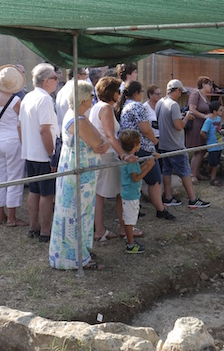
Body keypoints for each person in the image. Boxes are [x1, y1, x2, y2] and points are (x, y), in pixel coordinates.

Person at [49, 81, 110, 270]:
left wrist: (102, 141)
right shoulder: (78, 120)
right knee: (76, 215)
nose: (93, 99)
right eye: (91, 96)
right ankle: (75, 258)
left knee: (75, 214)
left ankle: (77, 252)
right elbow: (99, 144)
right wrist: (104, 141)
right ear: (83, 99)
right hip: (80, 176)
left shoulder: (76, 115)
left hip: (78, 173)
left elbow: (99, 141)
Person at [88, 76, 141, 242]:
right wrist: (124, 154)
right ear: (111, 92)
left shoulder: (97, 107)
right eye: (118, 91)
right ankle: (112, 229)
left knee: (105, 193)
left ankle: (119, 228)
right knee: (110, 193)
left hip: (105, 155)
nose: (120, 94)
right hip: (108, 156)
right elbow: (111, 136)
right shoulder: (106, 109)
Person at [118, 81, 175, 220]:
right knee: (154, 180)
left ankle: (136, 207)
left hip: (129, 147)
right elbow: (145, 129)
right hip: (142, 147)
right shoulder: (137, 106)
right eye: (142, 91)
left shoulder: (125, 106)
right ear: (137, 93)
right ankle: (160, 210)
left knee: (134, 180)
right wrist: (156, 142)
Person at [18, 63, 61, 243]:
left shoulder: (28, 97)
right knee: (46, 194)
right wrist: (52, 155)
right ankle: (45, 231)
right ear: (46, 81)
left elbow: (20, 126)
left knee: (34, 192)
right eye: (55, 78)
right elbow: (45, 130)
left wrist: (26, 145)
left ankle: (33, 226)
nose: (57, 81)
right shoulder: (44, 100)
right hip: (43, 155)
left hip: (31, 152)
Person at [157, 79, 211, 209]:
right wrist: (187, 117)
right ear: (176, 90)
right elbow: (179, 126)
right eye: (180, 92)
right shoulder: (173, 105)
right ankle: (193, 199)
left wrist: (180, 116)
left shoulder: (160, 102)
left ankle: (168, 197)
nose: (181, 94)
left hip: (164, 144)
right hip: (175, 145)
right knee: (185, 172)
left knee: (167, 172)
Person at [0, 65, 27, 227]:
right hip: (12, 141)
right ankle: (12, 217)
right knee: (14, 178)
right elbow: (21, 122)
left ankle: (0, 214)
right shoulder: (16, 100)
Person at [119, 129, 156, 254]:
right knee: (129, 220)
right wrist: (149, 167)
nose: (140, 145)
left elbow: (137, 171)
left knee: (129, 219)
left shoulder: (132, 159)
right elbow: (136, 178)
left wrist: (147, 162)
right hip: (130, 195)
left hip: (130, 194)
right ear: (135, 145)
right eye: (139, 143)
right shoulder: (130, 161)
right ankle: (130, 244)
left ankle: (129, 239)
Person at [186, 76, 213, 184]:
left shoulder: (204, 96)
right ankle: (192, 175)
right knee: (198, 150)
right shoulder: (195, 94)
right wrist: (204, 116)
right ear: (203, 84)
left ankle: (197, 173)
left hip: (203, 126)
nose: (211, 87)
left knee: (202, 150)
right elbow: (192, 109)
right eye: (209, 84)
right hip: (196, 126)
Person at [200, 101, 224, 186]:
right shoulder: (208, 121)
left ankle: (213, 178)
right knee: (212, 162)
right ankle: (207, 170)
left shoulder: (218, 119)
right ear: (214, 111)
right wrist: (207, 139)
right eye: (220, 110)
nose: (222, 112)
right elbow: (202, 132)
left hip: (219, 144)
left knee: (216, 163)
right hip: (212, 145)